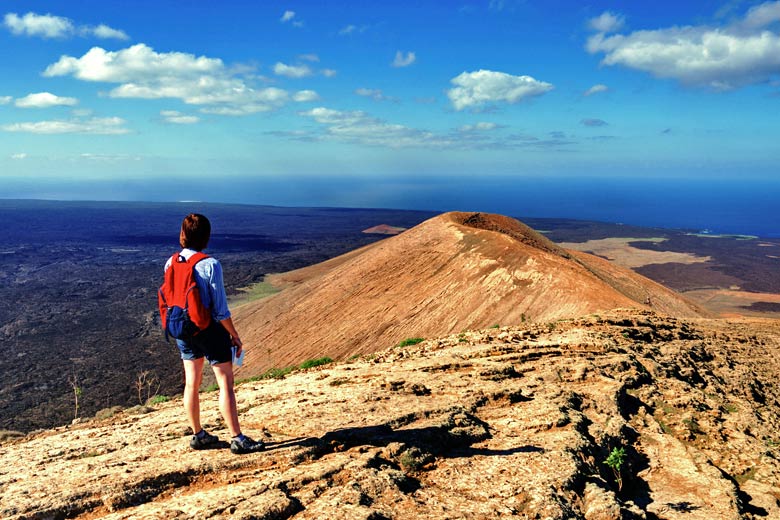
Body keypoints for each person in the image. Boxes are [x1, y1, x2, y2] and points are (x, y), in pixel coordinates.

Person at [165, 213, 265, 454]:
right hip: (208, 330)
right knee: (225, 384)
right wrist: (235, 335)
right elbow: (220, 311)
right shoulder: (210, 265)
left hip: (182, 329)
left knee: (192, 384)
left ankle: (198, 435)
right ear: (206, 237)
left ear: (183, 235)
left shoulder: (170, 262)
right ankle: (237, 438)